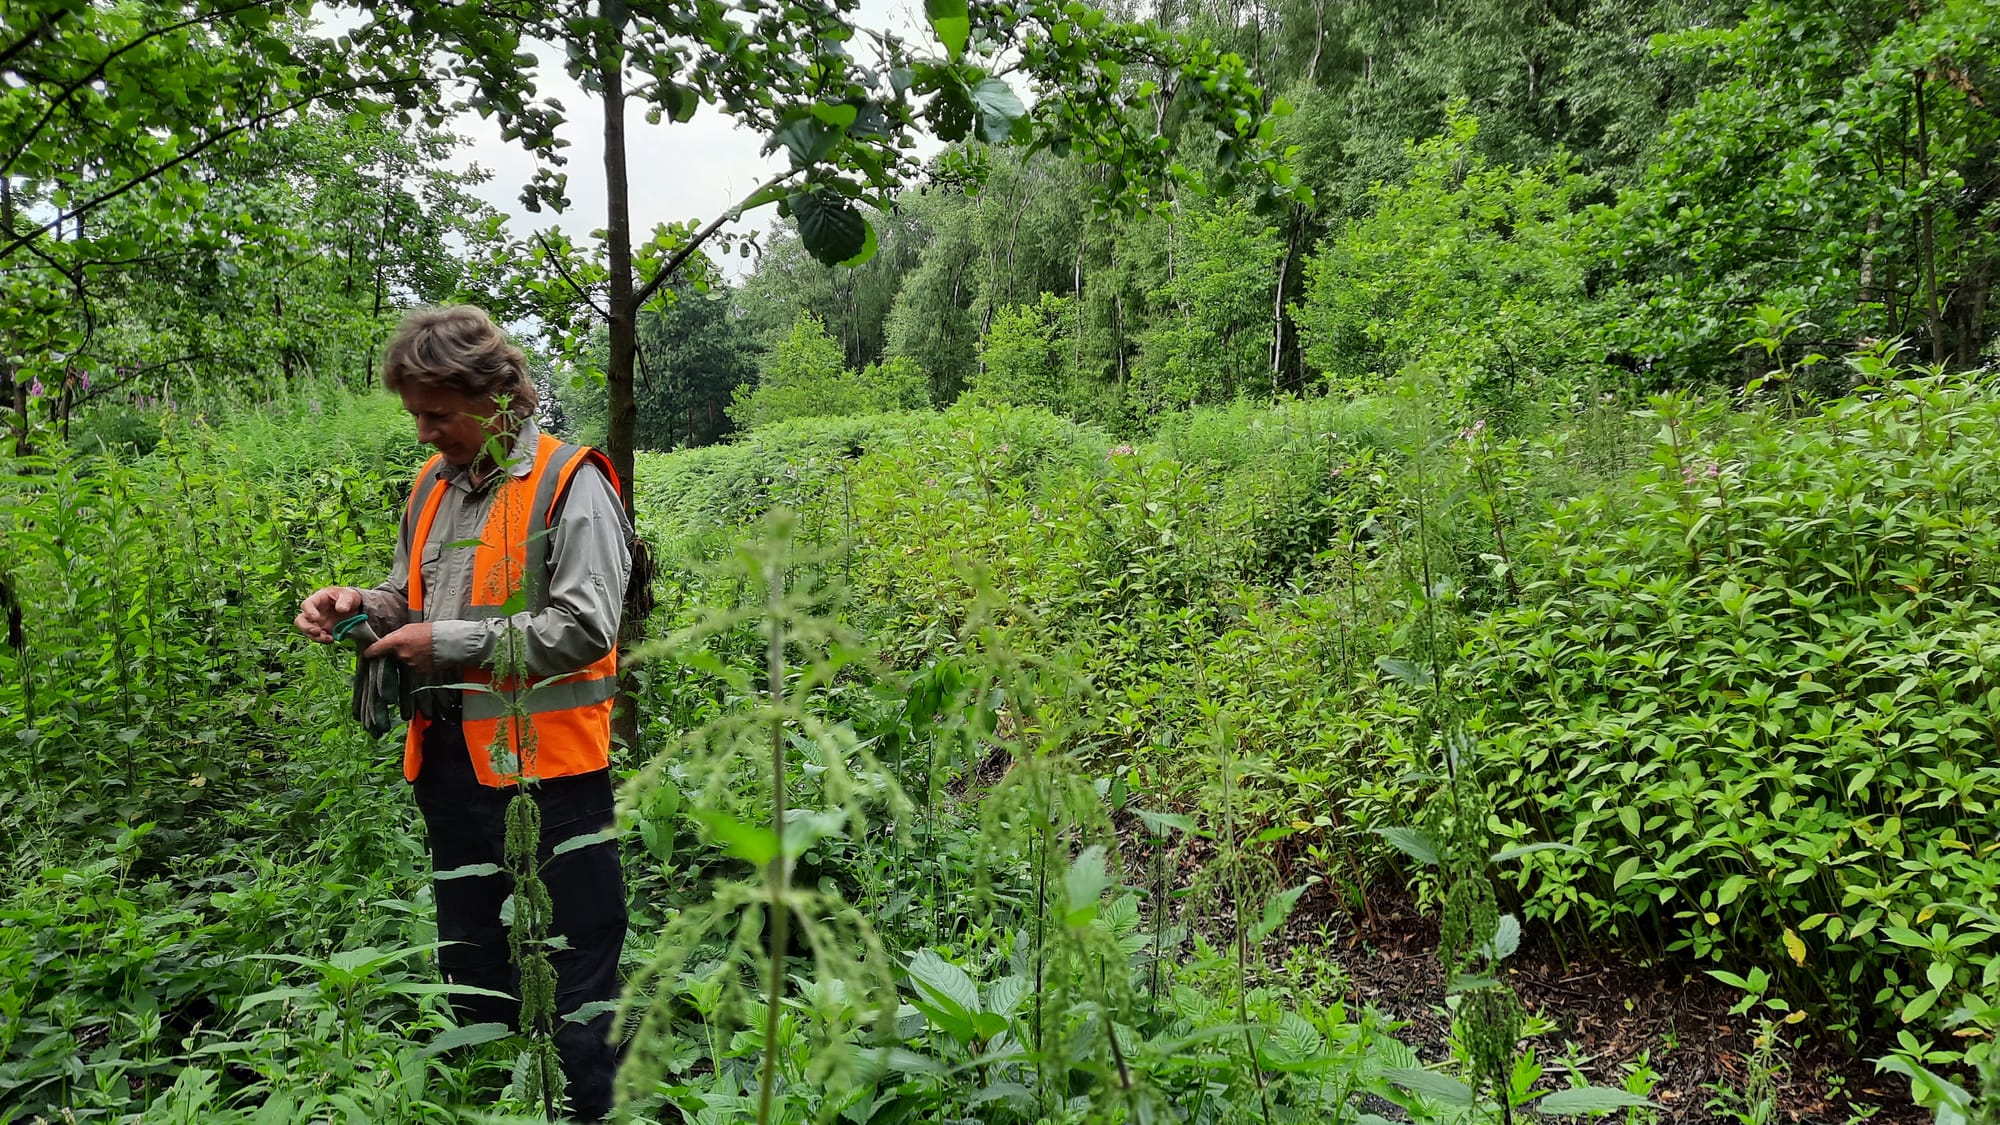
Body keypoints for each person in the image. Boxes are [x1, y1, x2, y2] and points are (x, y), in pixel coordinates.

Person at [294, 305, 630, 1120]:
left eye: (436, 415)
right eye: (415, 415)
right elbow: (414, 597)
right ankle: (489, 1099)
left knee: (577, 967)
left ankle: (591, 1107)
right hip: (447, 761)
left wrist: (442, 642)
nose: (422, 434)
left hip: (550, 771)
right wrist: (359, 604)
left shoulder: (569, 481)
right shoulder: (434, 486)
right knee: (472, 955)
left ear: (496, 396)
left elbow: (586, 627)